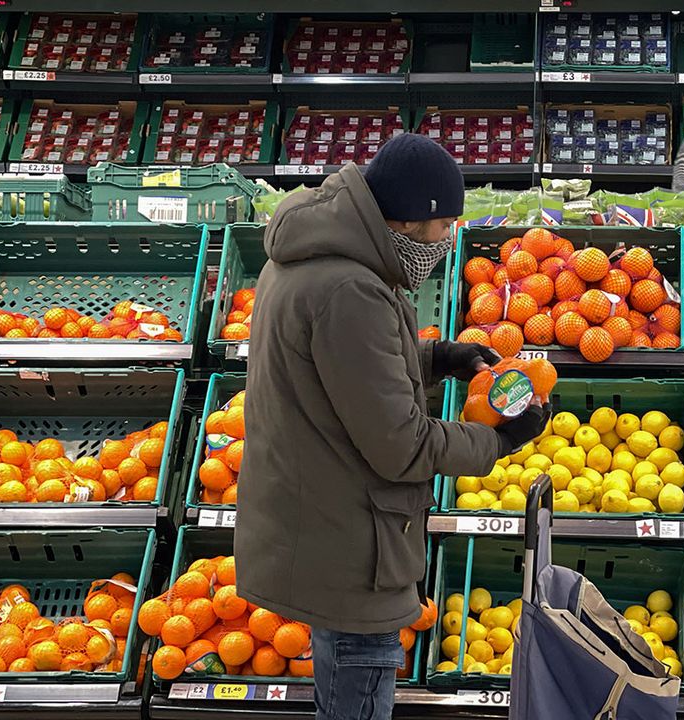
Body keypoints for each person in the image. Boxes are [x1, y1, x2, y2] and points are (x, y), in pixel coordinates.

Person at [235, 133, 550, 720]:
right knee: (357, 688)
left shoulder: (314, 258)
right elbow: (401, 446)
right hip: (351, 542)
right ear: (408, 221)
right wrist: (501, 440)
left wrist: (438, 359)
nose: (447, 240)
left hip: (321, 519)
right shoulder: (351, 288)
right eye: (444, 225)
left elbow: (340, 371)